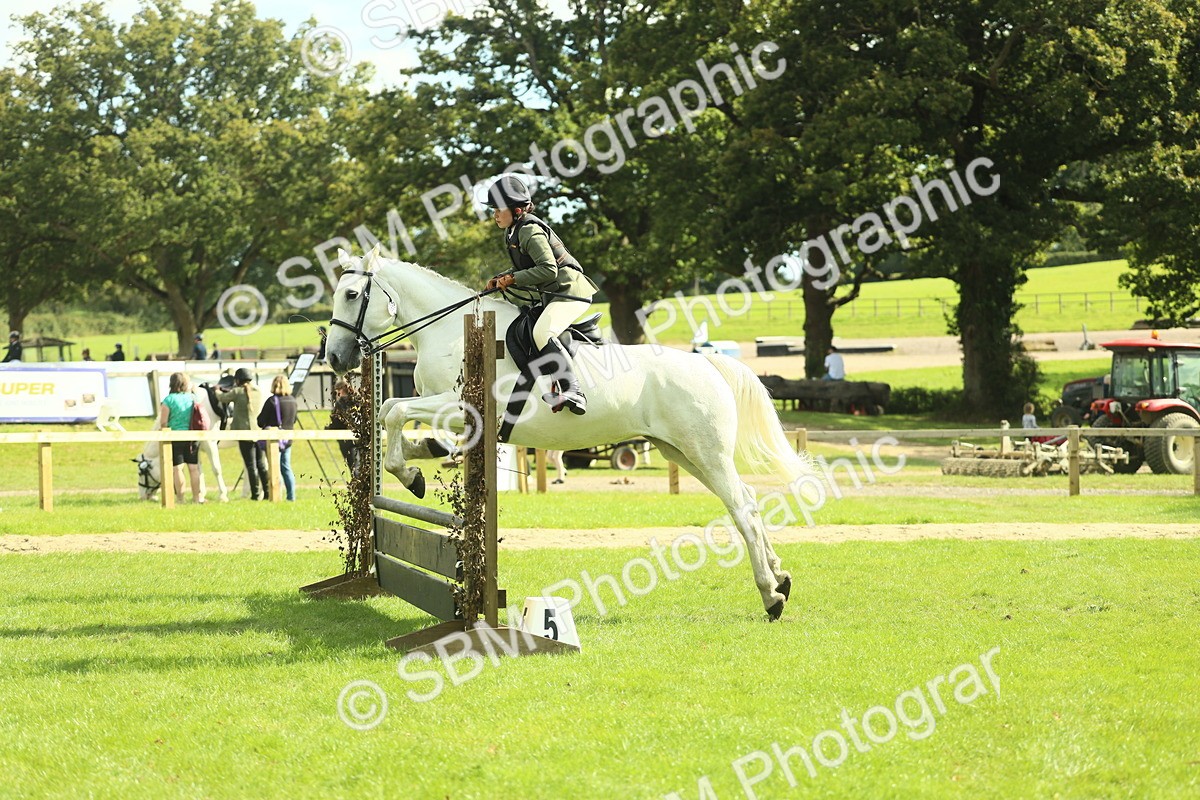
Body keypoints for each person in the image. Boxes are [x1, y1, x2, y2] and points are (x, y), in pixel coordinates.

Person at [482, 174, 598, 415]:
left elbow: (548, 269)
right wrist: (502, 277)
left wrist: (513, 279)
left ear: (515, 210)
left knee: (542, 332)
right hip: (555, 294)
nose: (494, 214)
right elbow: (526, 268)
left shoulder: (529, 230)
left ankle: (573, 390)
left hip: (570, 291)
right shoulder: (513, 231)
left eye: (498, 209)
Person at [217, 367, 269, 500]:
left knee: (250, 466)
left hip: (243, 434)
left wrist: (216, 390)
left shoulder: (237, 392)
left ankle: (255, 494)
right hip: (258, 433)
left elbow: (222, 398)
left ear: (238, 380)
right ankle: (267, 493)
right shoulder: (257, 391)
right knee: (261, 465)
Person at [159, 372, 204, 503]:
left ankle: (181, 498)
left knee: (178, 468)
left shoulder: (169, 400)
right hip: (192, 436)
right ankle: (197, 498)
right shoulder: (192, 398)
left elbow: (163, 422)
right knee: (194, 468)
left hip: (175, 436)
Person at [257, 374, 298, 501]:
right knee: (286, 467)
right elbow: (294, 419)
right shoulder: (293, 400)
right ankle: (291, 496)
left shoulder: (272, 401)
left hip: (275, 440)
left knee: (274, 468)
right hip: (288, 439)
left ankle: (276, 495)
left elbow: (260, 420)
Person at [327, 379, 358, 475]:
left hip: (346, 440)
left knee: (354, 467)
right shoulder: (357, 401)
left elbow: (338, 421)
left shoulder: (340, 403)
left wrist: (328, 429)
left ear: (339, 391)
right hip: (360, 438)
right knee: (359, 465)